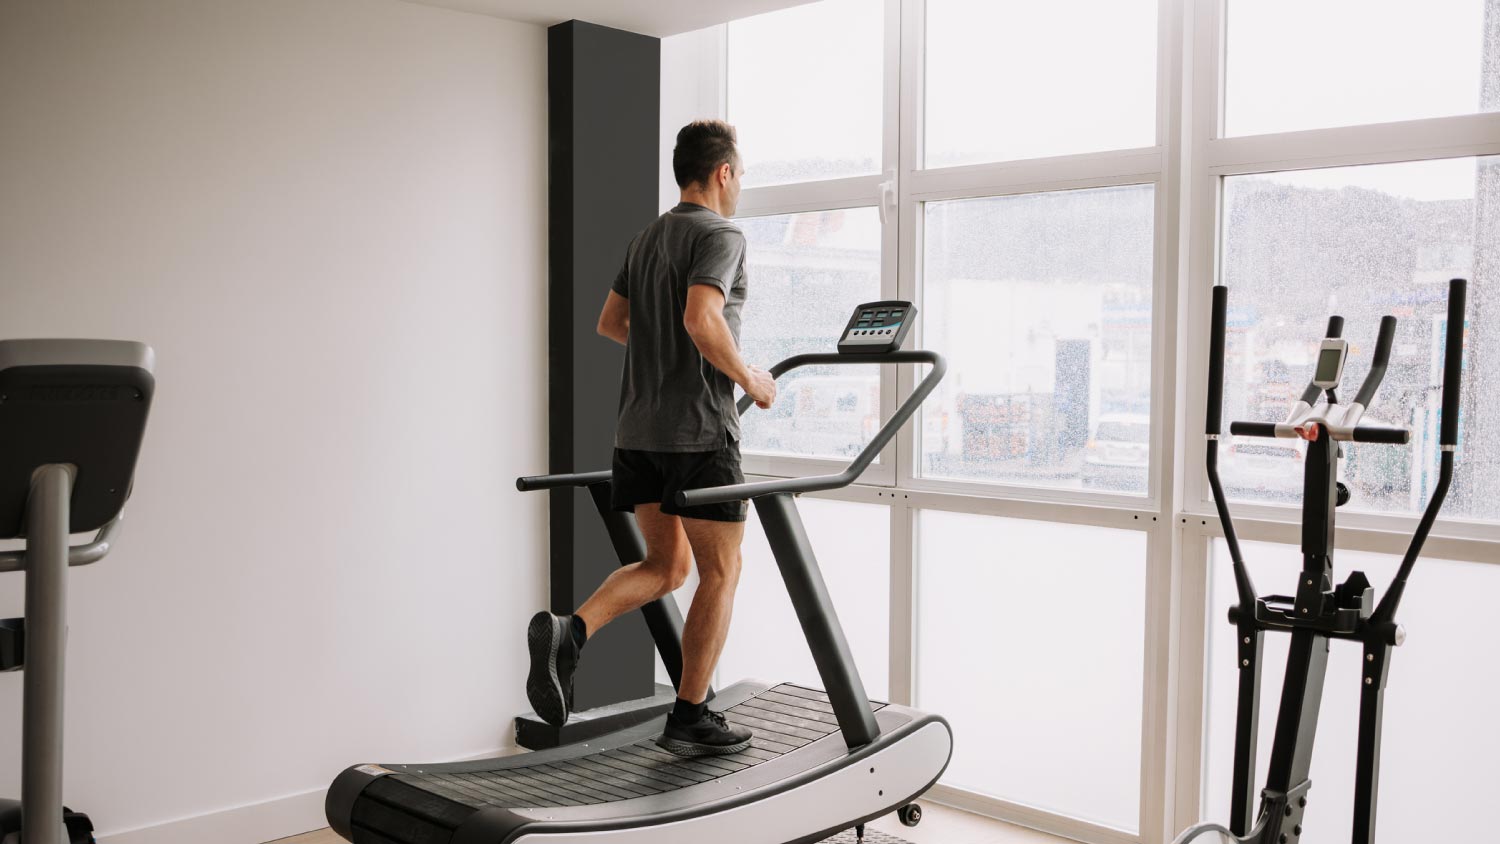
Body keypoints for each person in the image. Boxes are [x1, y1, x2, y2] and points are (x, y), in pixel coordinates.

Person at [526, 119, 778, 757]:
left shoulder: (647, 238)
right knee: (721, 571)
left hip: (637, 432)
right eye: (740, 173)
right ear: (723, 172)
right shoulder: (722, 234)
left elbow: (611, 322)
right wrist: (750, 375)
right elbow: (702, 316)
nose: (741, 184)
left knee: (666, 566)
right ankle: (690, 713)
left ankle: (572, 631)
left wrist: (666, 342)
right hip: (699, 435)